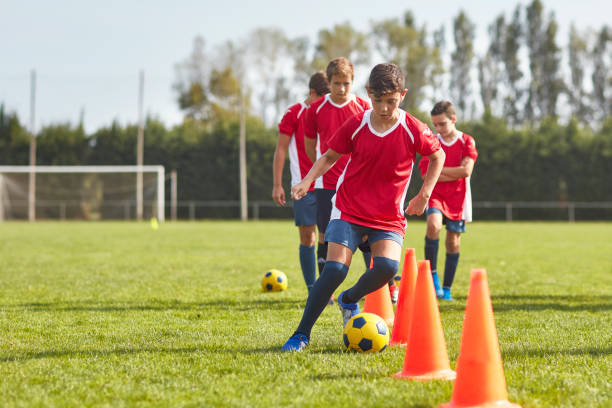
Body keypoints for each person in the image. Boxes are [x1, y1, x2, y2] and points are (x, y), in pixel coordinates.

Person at [281, 63, 445, 351]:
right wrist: (307, 180)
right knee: (333, 270)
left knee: (386, 267)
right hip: (348, 209)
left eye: (391, 101)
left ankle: (348, 299)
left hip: (387, 216)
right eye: (378, 100)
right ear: (369, 93)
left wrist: (424, 194)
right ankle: (301, 335)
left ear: (402, 95)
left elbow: (437, 155)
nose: (384, 108)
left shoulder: (412, 127)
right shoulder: (357, 123)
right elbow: (329, 156)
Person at [303, 57, 372, 282]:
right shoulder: (315, 109)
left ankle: (380, 285)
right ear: (329, 82)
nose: (342, 89)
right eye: (336, 83)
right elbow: (309, 145)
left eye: (346, 83)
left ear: (353, 82)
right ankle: (327, 288)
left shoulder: (363, 108)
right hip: (327, 183)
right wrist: (319, 170)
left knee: (367, 233)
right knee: (325, 233)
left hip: (358, 183)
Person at [272, 71, 330, 293]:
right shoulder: (294, 113)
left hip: (328, 183)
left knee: (328, 236)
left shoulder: (329, 111)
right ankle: (312, 288)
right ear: (313, 93)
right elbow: (280, 149)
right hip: (303, 186)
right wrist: (277, 184)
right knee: (308, 235)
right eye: (322, 96)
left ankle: (327, 288)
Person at [418, 101, 478, 301]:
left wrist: (438, 171)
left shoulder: (467, 141)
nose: (438, 129)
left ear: (453, 119)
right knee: (433, 226)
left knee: (453, 243)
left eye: (442, 124)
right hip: (436, 195)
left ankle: (447, 288)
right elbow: (426, 173)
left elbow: (466, 171)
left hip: (458, 198)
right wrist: (452, 173)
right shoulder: (432, 141)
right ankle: (432, 276)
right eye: (435, 124)